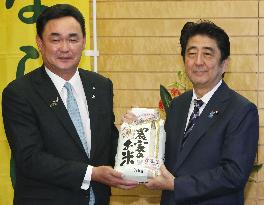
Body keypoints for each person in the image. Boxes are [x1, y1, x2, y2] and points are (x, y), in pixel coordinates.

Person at [2, 4, 137, 205]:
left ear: (83, 41)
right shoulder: (19, 92)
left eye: (73, 39)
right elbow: (29, 158)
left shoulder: (100, 85)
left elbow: (107, 144)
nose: (65, 48)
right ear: (39, 43)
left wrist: (133, 137)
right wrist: (92, 173)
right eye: (55, 39)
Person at [124, 21, 259, 205]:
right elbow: (165, 157)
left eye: (207, 54)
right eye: (192, 53)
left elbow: (233, 174)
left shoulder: (241, 110)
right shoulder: (178, 104)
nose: (198, 62)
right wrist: (138, 130)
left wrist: (176, 185)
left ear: (224, 64)